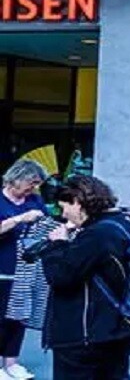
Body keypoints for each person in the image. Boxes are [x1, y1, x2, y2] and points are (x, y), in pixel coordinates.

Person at [40, 175, 130, 379]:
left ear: (77, 202)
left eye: (64, 207)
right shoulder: (121, 225)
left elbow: (61, 276)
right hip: (118, 325)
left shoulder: (95, 235)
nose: (63, 214)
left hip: (85, 331)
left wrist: (57, 244)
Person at [0, 161, 47, 380]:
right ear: (17, 178)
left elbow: (45, 225)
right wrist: (18, 219)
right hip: (3, 268)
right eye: (32, 182)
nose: (34, 188)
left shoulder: (35, 201)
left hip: (26, 270)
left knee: (19, 317)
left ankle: (12, 362)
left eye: (37, 184)